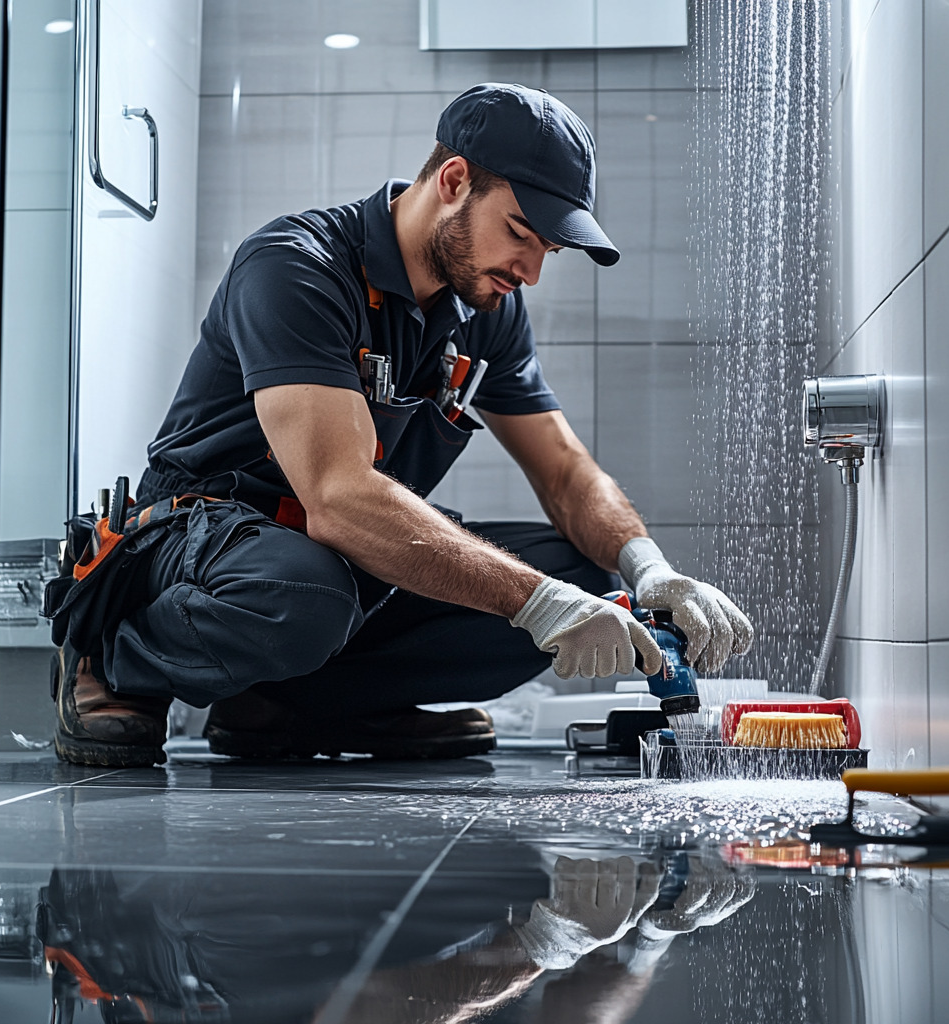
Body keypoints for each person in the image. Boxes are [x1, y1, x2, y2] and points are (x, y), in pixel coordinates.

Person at [45, 82, 753, 768]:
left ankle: (297, 705)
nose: (532, 271)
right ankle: (114, 655)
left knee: (585, 573)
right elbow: (339, 497)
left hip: (341, 566)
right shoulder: (298, 267)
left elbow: (566, 473)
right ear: (452, 180)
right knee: (310, 592)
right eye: (520, 234)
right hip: (201, 542)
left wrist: (649, 569)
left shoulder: (488, 311)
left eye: (549, 250)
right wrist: (536, 603)